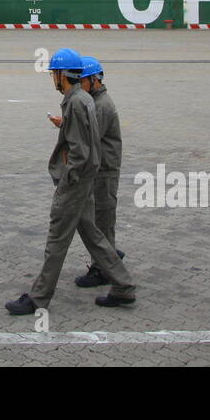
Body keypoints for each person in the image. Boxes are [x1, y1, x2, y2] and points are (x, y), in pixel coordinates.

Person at [5, 48, 136, 314]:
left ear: (61, 75)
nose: (52, 77)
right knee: (92, 235)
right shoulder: (84, 99)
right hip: (85, 181)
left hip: (75, 184)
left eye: (53, 73)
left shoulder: (77, 102)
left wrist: (68, 180)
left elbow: (80, 151)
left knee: (57, 240)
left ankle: (38, 297)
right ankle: (123, 286)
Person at [73, 55, 128, 290]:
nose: (78, 85)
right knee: (100, 219)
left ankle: (103, 269)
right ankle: (110, 254)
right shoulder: (94, 102)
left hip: (104, 172)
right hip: (101, 169)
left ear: (95, 79)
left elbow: (88, 137)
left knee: (102, 221)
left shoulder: (101, 106)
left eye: (82, 80)